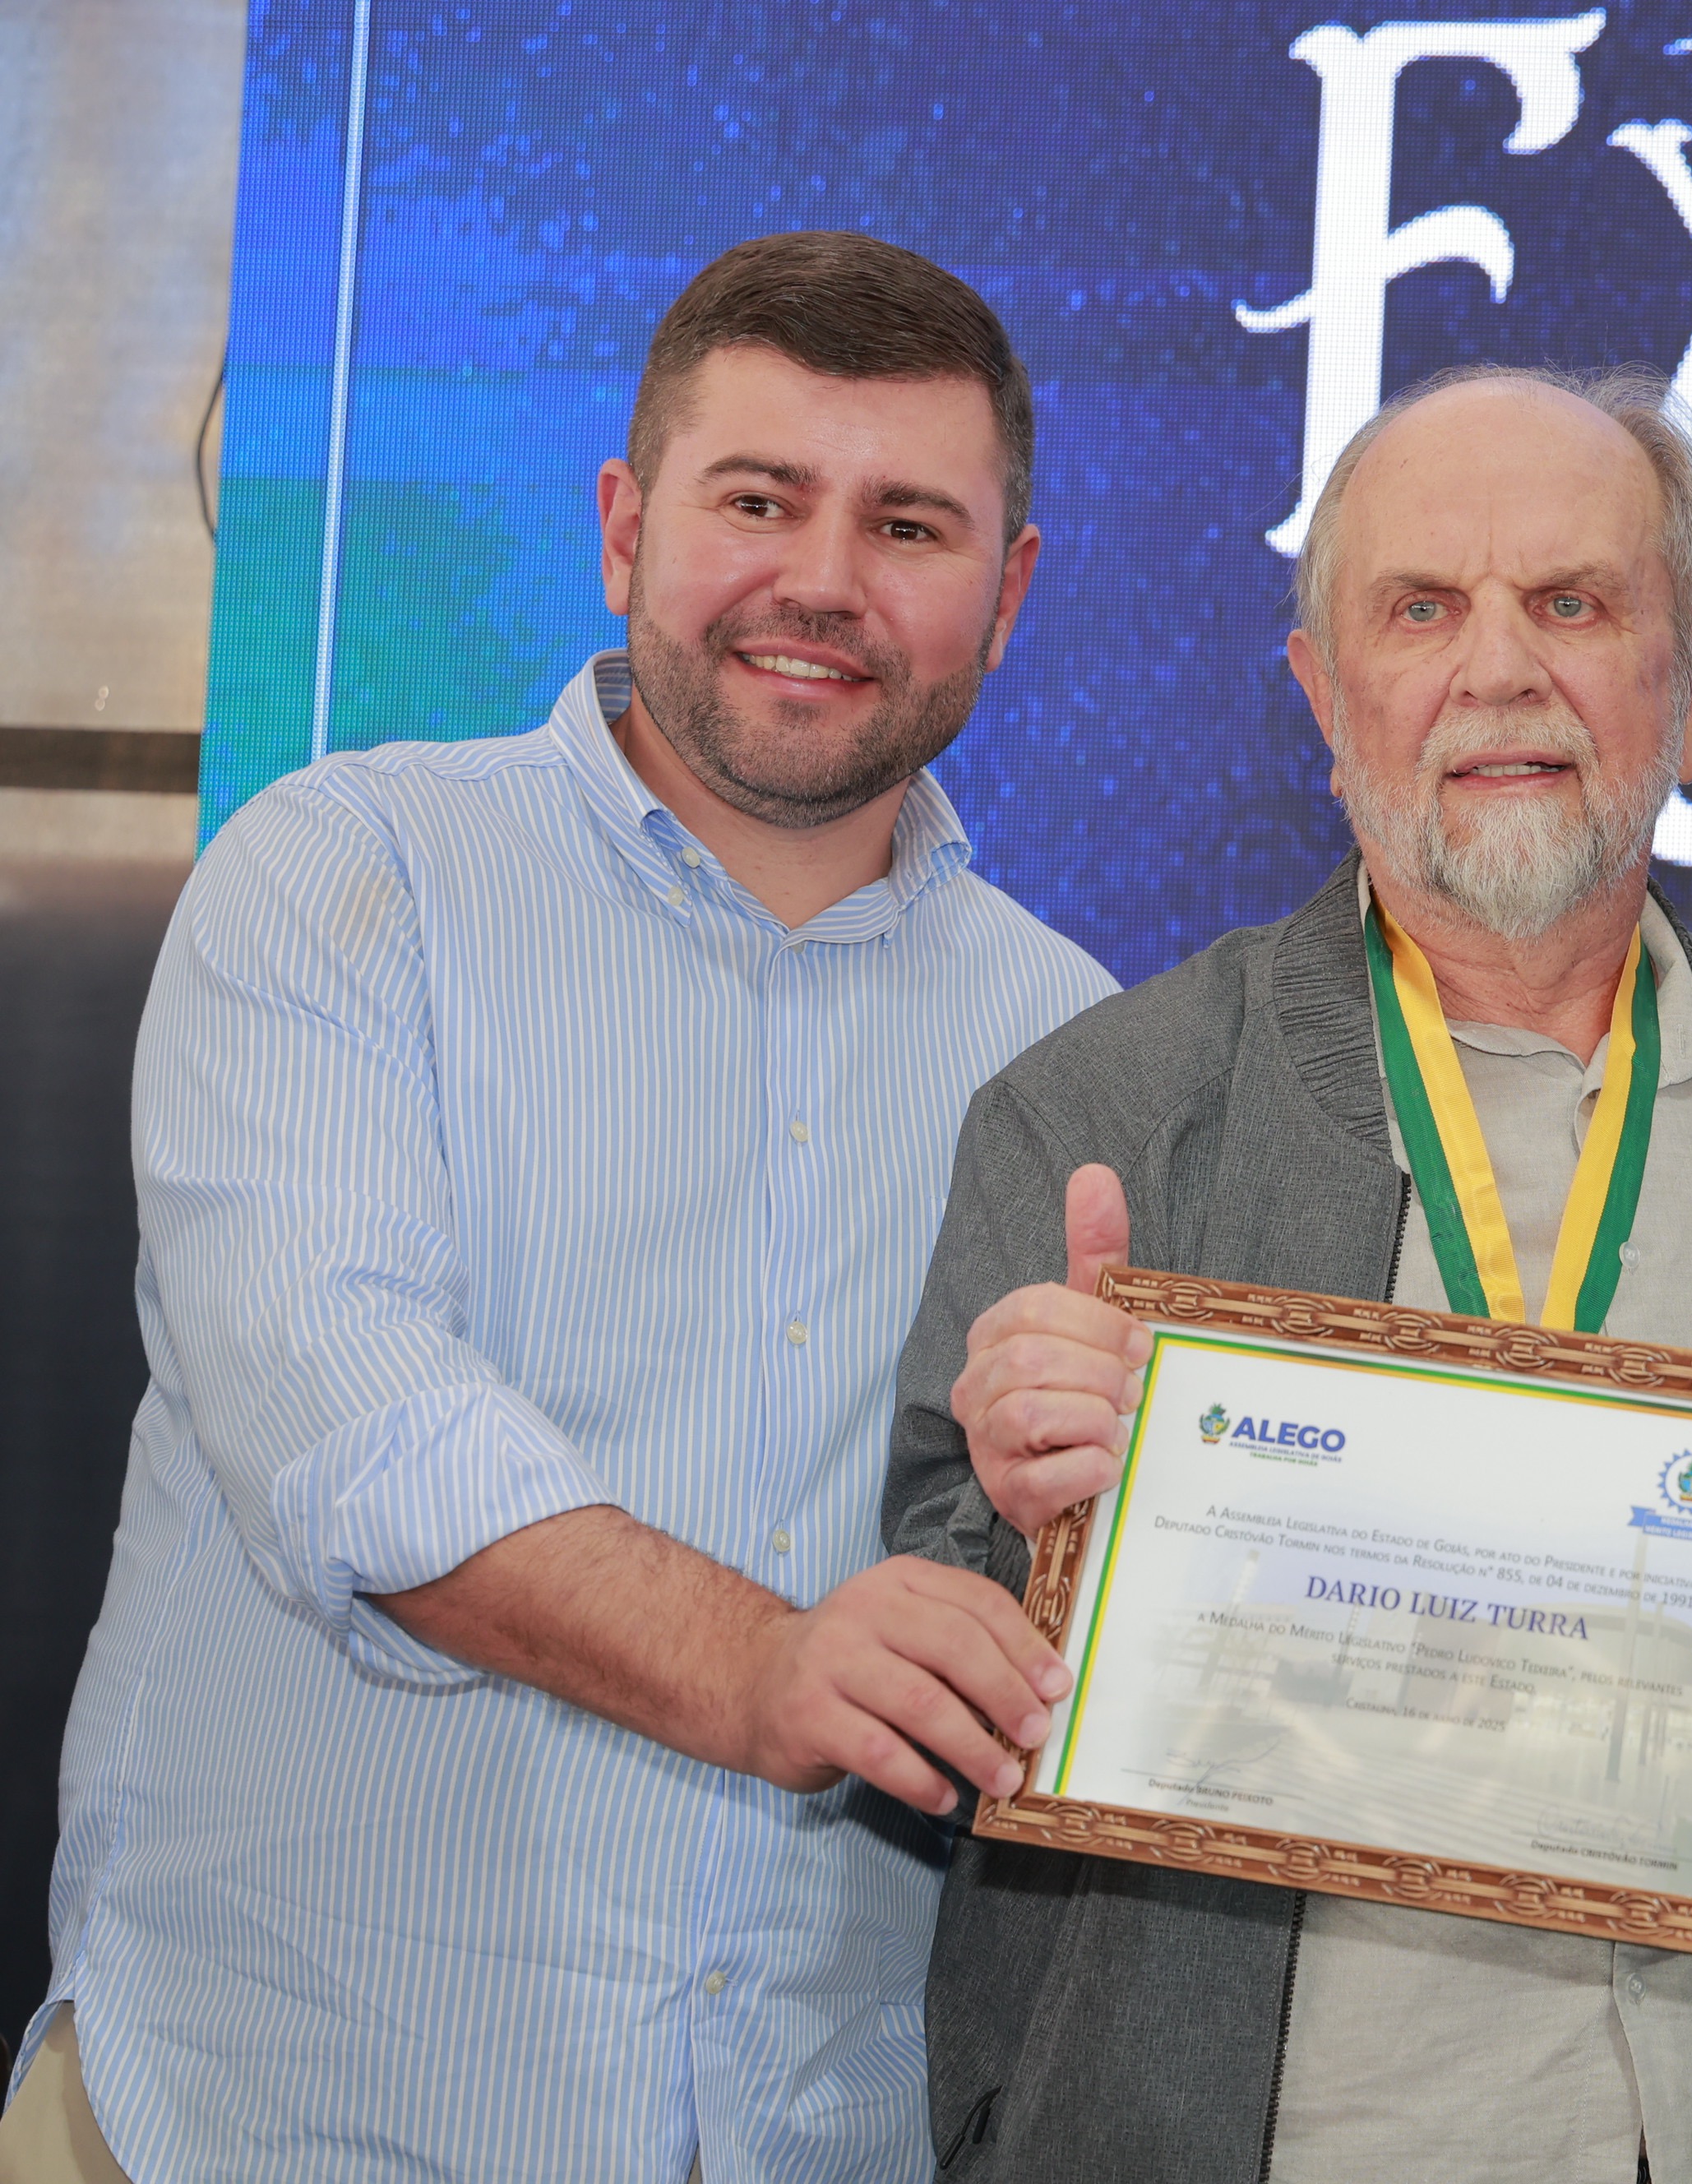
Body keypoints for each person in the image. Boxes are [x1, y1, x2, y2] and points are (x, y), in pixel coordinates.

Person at [1, 232, 1112, 2182]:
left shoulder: (1079, 1044)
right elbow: (351, 1420)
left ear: (1008, 595)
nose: (824, 579)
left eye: (909, 525)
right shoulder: (347, 875)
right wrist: (763, 1666)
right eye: (757, 499)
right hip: (278, 2121)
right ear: (622, 527)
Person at [885, 364, 1692, 2182]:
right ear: (1323, 697)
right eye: (1420, 610)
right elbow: (919, 1687)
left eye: (1572, 602)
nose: (1499, 669)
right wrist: (1031, 1531)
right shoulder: (1106, 1115)